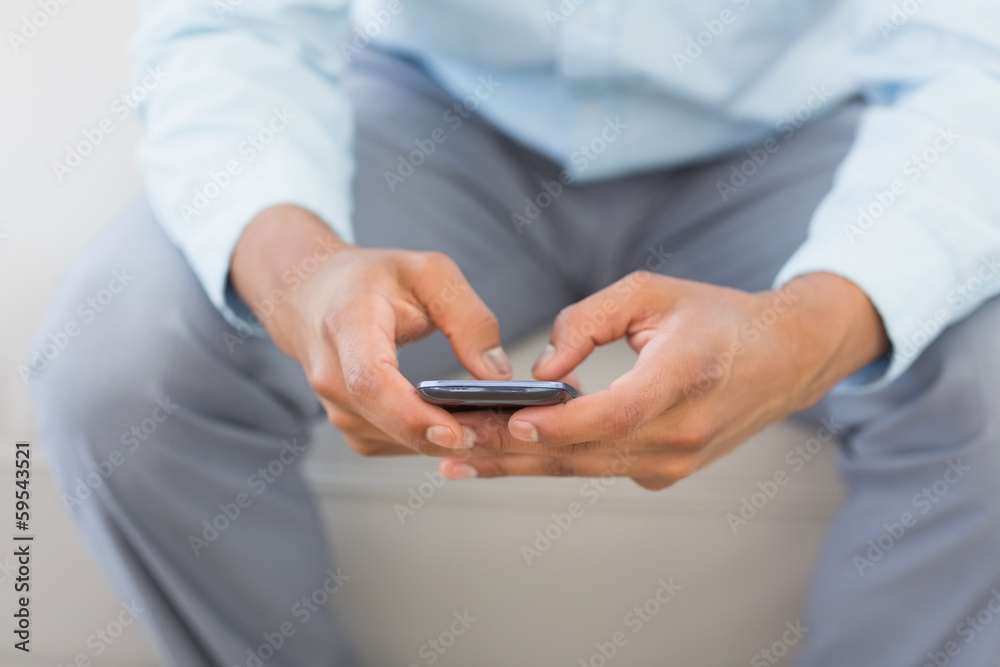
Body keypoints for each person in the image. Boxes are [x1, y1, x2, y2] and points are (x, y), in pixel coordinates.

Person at [28, 0, 1000, 665]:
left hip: (806, 123)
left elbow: (974, 47)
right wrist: (299, 270)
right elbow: (231, 20)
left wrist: (820, 322)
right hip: (434, 104)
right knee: (118, 365)